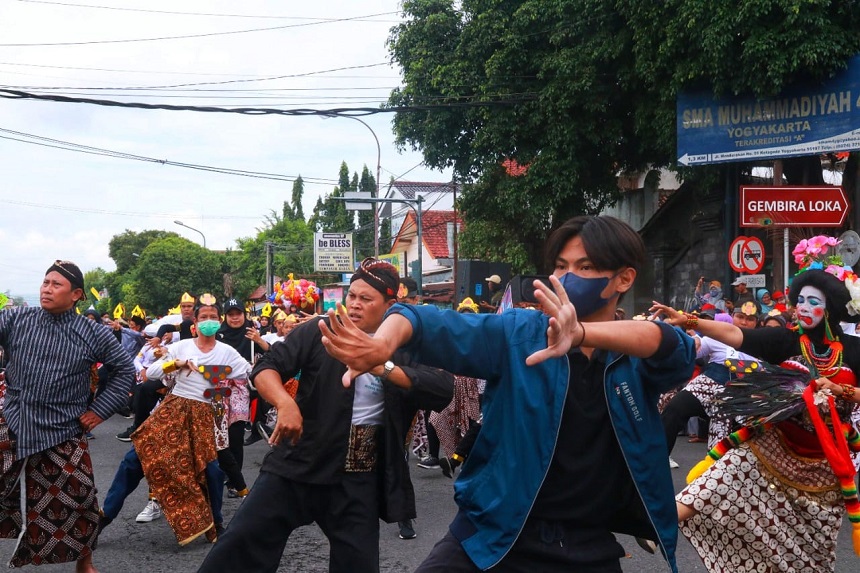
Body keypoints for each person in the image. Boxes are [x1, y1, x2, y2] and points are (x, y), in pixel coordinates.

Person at [318, 216, 696, 573]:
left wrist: (580, 335)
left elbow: (676, 347)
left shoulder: (637, 356)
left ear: (624, 279)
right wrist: (383, 343)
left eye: (585, 267)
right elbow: (428, 322)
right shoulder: (520, 333)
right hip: (494, 535)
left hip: (588, 546)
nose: (567, 278)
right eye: (561, 266)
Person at [197, 258, 454, 573]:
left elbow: (443, 388)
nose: (356, 305)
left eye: (366, 299)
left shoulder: (407, 344)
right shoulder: (321, 330)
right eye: (352, 296)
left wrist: (381, 366)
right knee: (238, 549)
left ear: (390, 304)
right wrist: (284, 403)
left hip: (359, 476)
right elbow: (266, 368)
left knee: (357, 565)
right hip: (299, 462)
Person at [651, 235, 860, 572]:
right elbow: (735, 335)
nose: (803, 308)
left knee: (809, 557)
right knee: (718, 480)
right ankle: (656, 524)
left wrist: (841, 391)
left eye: (813, 301)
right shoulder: (786, 339)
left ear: (831, 308)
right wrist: (688, 320)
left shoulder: (853, 350)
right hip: (771, 447)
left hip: (825, 468)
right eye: (800, 301)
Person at [0, 260, 135, 572]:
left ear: (76, 294)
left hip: (63, 428)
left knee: (81, 499)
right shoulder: (18, 316)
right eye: (45, 282)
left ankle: (84, 563)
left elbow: (125, 369)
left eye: (55, 285)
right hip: (14, 418)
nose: (47, 289)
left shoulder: (93, 332)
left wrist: (100, 410)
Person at [101, 294, 251, 544]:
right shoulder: (182, 346)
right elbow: (151, 373)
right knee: (135, 459)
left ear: (220, 320)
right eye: (204, 317)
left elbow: (249, 373)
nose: (209, 321)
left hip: (204, 415)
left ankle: (215, 523)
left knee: (211, 471)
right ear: (195, 321)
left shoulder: (227, 352)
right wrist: (177, 363)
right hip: (173, 409)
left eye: (214, 317)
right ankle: (105, 516)